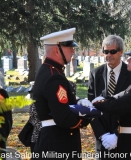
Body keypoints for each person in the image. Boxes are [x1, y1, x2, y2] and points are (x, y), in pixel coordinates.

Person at [32, 28, 92, 160]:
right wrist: (87, 115)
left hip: (52, 140)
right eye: (68, 47)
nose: (73, 50)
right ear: (56, 50)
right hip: (58, 144)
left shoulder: (48, 70)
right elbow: (63, 117)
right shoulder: (54, 77)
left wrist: (77, 102)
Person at [88, 35, 131, 159]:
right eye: (105, 51)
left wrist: (117, 134)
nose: (108, 55)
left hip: (124, 139)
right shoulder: (95, 74)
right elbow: (90, 107)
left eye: (112, 51)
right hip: (102, 142)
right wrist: (102, 135)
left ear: (121, 52)